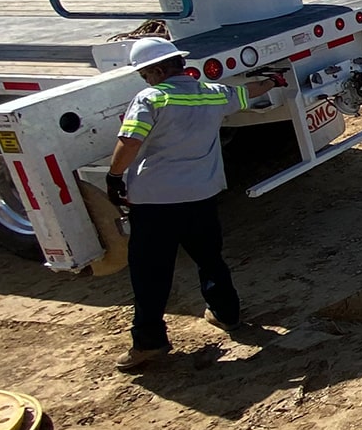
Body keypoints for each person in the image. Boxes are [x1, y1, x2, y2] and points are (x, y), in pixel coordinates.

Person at [107, 37, 280, 372]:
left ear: (158, 70)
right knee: (210, 259)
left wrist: (115, 176)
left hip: (156, 201)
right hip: (202, 195)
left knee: (150, 273)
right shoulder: (213, 93)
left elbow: (130, 142)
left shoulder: (151, 98)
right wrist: (273, 81)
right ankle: (227, 315)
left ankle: (149, 342)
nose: (145, 79)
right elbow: (249, 92)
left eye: (146, 73)